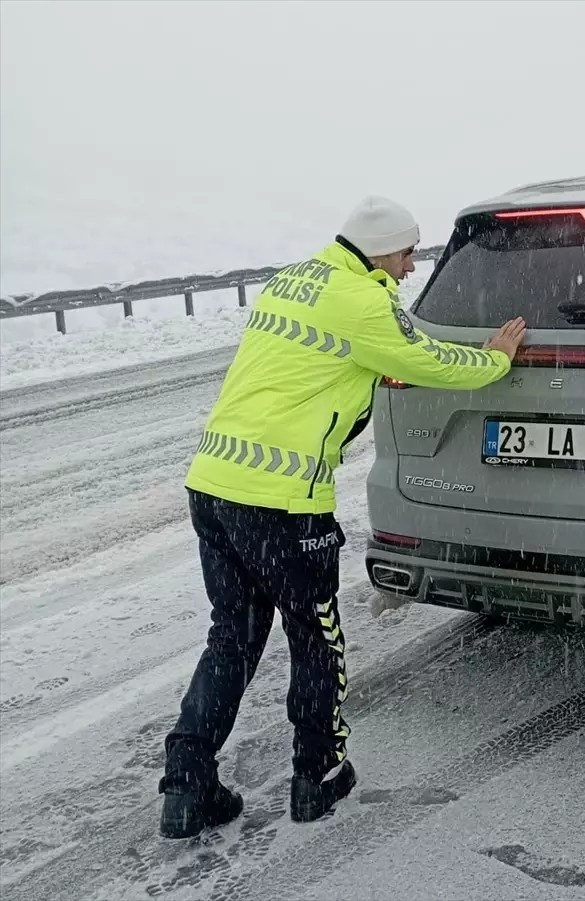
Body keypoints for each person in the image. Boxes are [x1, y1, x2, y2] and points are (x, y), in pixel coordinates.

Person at [158, 195, 526, 838]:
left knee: (232, 638)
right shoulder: (364, 301)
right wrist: (496, 358)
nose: (412, 267)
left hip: (213, 484)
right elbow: (428, 360)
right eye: (409, 252)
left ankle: (187, 789)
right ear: (382, 247)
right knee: (315, 635)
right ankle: (317, 776)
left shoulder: (295, 277)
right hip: (282, 502)